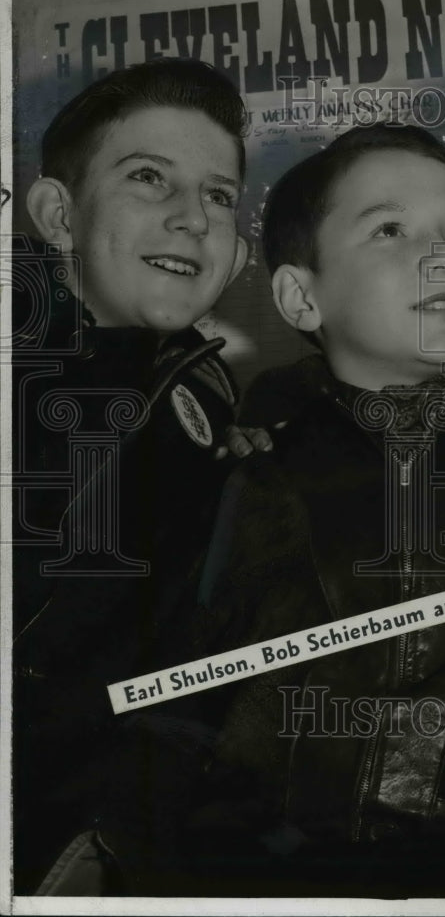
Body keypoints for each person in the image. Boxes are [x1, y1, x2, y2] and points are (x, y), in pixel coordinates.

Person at [110, 122, 445, 897]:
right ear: (301, 296)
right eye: (388, 229)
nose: (443, 254)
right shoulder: (249, 476)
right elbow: (176, 719)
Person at [12, 57, 257, 893]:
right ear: (56, 213)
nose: (192, 218)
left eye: (218, 195)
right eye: (148, 177)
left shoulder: (201, 385)